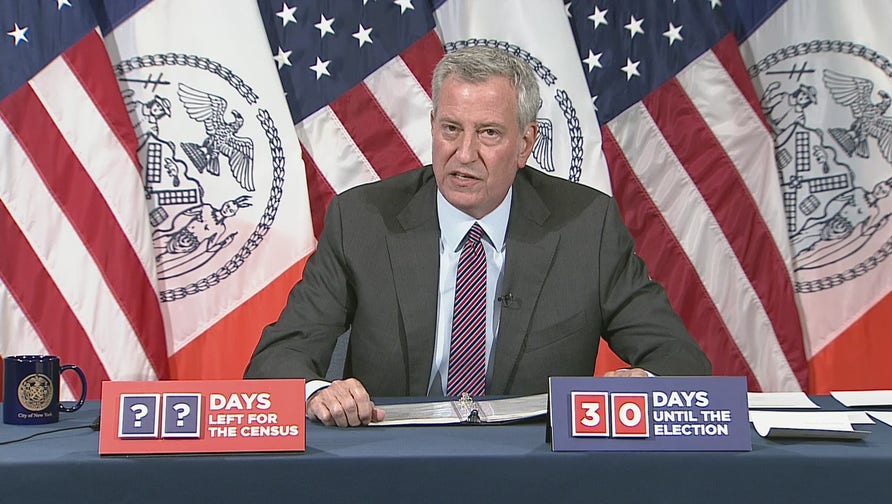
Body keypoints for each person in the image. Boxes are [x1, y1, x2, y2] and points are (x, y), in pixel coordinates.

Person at [244, 45, 710, 427]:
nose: (463, 154)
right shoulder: (362, 221)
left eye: (488, 133)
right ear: (432, 127)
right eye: (451, 129)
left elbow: (682, 361)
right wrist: (320, 392)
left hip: (535, 473)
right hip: (393, 466)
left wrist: (642, 382)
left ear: (526, 144)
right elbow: (277, 359)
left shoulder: (586, 226)